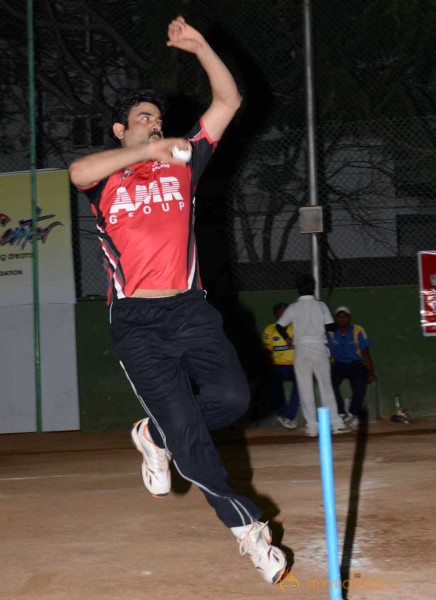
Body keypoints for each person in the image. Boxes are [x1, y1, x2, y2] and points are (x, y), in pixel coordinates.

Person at [68, 16, 287, 585]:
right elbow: (77, 171)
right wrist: (150, 149)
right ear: (121, 129)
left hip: (189, 310)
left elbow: (229, 98)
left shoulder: (184, 165)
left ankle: (152, 434)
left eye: (159, 119)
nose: (155, 124)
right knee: (190, 432)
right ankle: (247, 529)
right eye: (144, 118)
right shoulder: (107, 179)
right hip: (137, 322)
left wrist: (199, 46)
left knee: (234, 398)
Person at [275, 274, 351, 437]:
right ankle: (336, 423)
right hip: (318, 348)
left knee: (304, 388)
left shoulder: (293, 307)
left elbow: (280, 325)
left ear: (298, 289)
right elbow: (331, 328)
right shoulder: (321, 306)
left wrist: (288, 338)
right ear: (313, 287)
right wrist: (330, 321)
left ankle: (311, 427)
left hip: (301, 349)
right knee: (326, 387)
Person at [327, 306, 376, 428]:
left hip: (356, 364)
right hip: (338, 364)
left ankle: (352, 412)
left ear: (349, 317)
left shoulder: (358, 330)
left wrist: (370, 372)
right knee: (329, 384)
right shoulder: (330, 332)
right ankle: (341, 412)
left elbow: (366, 354)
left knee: (360, 385)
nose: (342, 318)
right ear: (335, 318)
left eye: (345, 316)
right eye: (339, 316)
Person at [262, 303, 300, 429]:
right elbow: (267, 352)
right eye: (281, 312)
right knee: (272, 381)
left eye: (286, 311)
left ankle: (289, 416)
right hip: (278, 365)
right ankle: (283, 413)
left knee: (301, 382)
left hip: (295, 365)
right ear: (275, 315)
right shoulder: (270, 329)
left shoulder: (297, 328)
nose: (284, 314)